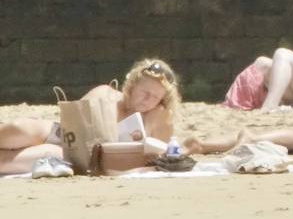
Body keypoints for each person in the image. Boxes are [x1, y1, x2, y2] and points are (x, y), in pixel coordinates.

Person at [0, 59, 182, 176]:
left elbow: (163, 156)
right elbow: (72, 120)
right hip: (64, 133)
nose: (147, 100)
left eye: (155, 97)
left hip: (74, 154)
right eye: (145, 92)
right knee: (19, 128)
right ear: (132, 86)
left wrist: (157, 117)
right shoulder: (107, 94)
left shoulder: (156, 118)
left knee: (17, 159)